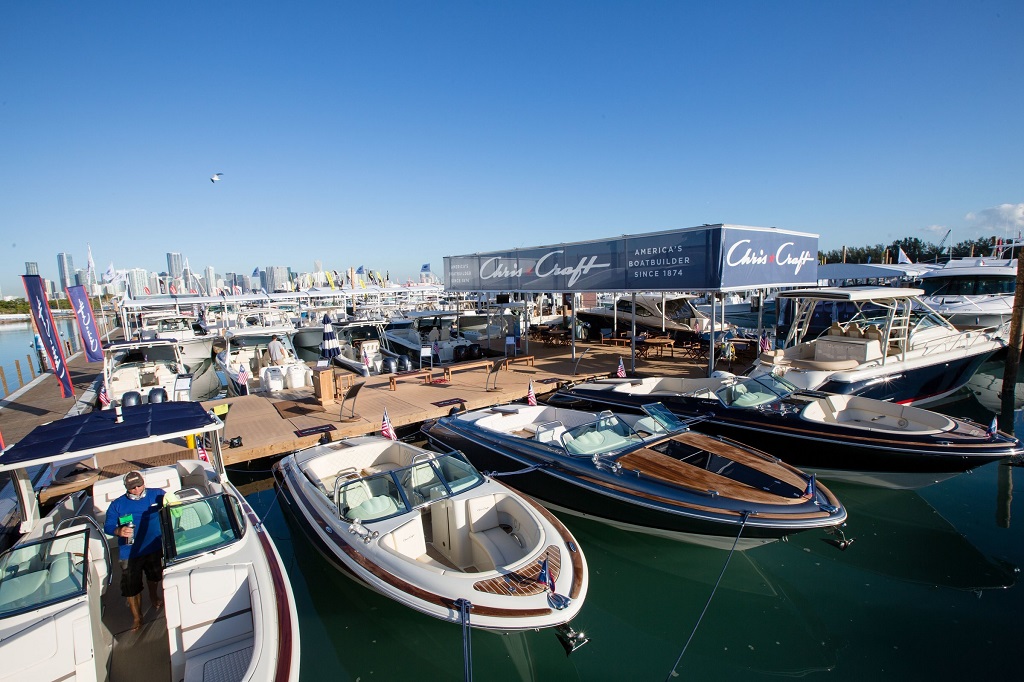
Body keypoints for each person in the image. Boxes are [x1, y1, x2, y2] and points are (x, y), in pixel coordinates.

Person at [104, 470, 166, 631]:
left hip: (153, 546)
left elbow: (172, 504)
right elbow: (108, 526)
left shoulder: (158, 494)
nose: (137, 489)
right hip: (129, 552)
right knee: (131, 587)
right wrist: (118, 531)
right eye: (133, 488)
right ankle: (137, 618)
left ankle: (153, 596)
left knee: (154, 576)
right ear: (126, 487)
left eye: (139, 485)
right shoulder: (117, 505)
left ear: (144, 482)